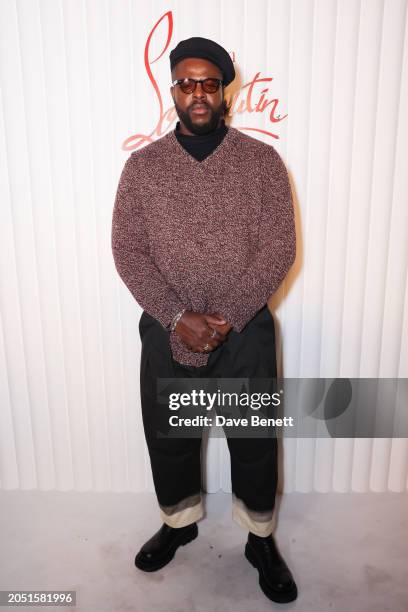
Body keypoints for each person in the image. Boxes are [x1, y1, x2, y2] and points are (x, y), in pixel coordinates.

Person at [111, 36, 297, 604]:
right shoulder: (142, 169)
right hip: (168, 332)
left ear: (224, 91)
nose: (198, 93)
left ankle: (259, 540)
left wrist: (228, 316)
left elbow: (279, 247)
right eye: (187, 82)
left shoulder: (262, 162)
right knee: (170, 436)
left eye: (209, 83)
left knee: (255, 438)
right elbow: (127, 250)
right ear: (172, 90)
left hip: (245, 333)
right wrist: (175, 317)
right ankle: (179, 522)